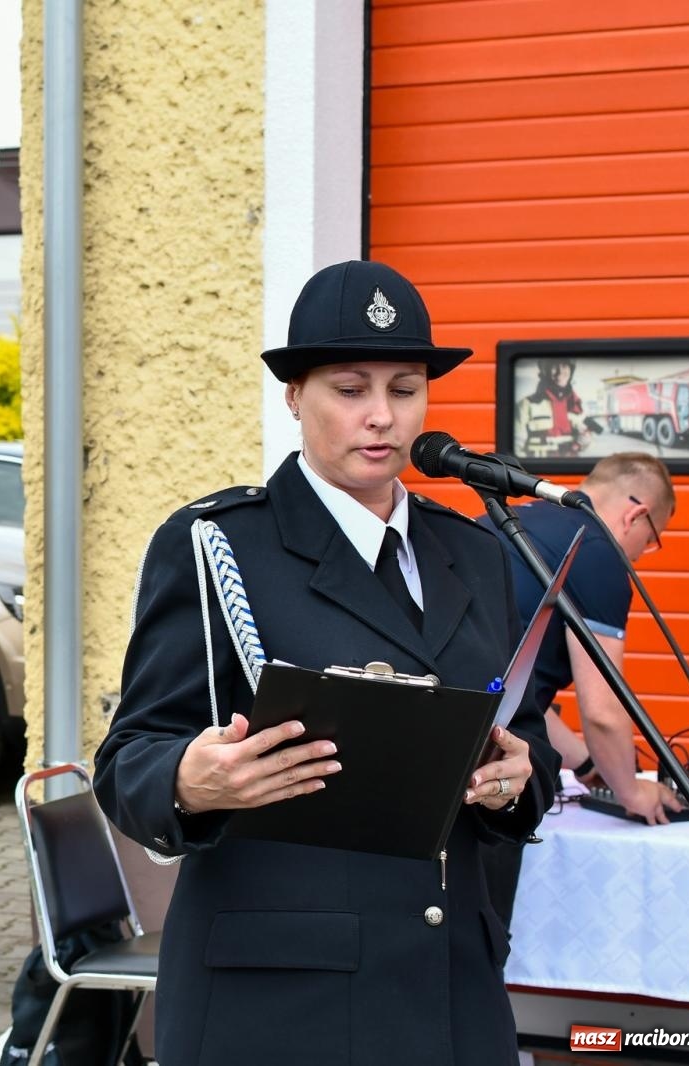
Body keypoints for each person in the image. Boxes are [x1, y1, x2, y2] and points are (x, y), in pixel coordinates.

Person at [94, 260, 559, 1066]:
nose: (381, 416)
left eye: (405, 388)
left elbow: (523, 738)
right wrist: (189, 781)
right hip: (284, 1003)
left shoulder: (475, 552)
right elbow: (129, 759)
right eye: (350, 389)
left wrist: (518, 781)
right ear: (294, 396)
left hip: (451, 990)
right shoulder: (219, 546)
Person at [477, 454, 681, 923]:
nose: (638, 555)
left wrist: (588, 764)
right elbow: (604, 708)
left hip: (440, 748)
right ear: (636, 515)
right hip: (490, 778)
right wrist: (631, 792)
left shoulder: (511, 522)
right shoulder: (599, 550)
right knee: (482, 943)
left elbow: (516, 683)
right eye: (650, 542)